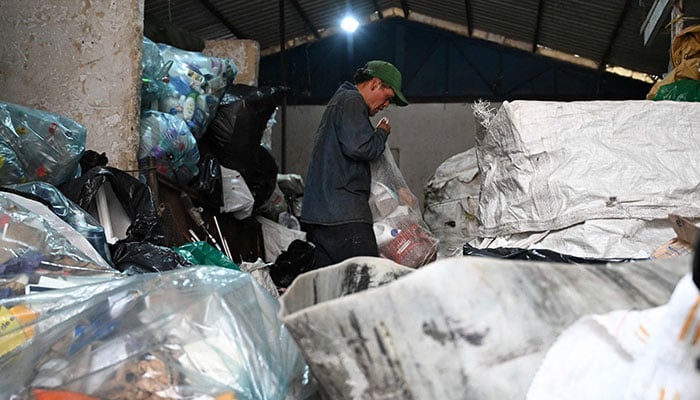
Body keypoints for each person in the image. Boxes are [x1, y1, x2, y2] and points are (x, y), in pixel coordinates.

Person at [300, 60, 408, 268]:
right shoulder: (352, 100)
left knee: (330, 286)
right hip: (344, 217)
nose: (386, 106)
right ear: (375, 83)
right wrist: (381, 133)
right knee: (365, 282)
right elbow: (361, 148)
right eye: (388, 98)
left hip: (321, 216)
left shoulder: (339, 102)